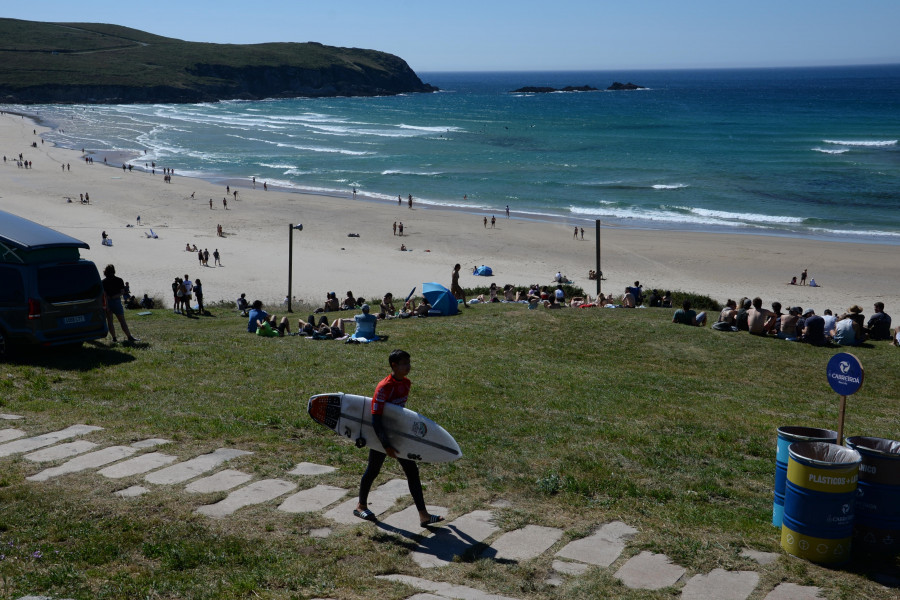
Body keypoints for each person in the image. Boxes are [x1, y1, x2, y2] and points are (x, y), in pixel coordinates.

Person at [354, 350, 444, 528]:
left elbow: (400, 414)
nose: (408, 366)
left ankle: (423, 515)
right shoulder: (384, 386)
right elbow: (376, 419)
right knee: (373, 470)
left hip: (399, 435)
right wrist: (386, 444)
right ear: (393, 366)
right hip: (382, 435)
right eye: (404, 363)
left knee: (412, 472)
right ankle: (360, 506)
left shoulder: (407, 383)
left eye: (409, 362)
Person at [101, 264, 139, 343]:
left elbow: (104, 294)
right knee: (122, 320)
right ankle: (129, 336)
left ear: (106, 272)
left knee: (110, 321)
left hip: (108, 302)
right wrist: (114, 296)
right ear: (114, 271)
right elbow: (122, 292)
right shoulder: (119, 280)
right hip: (116, 302)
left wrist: (107, 304)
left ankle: (114, 338)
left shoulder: (103, 282)